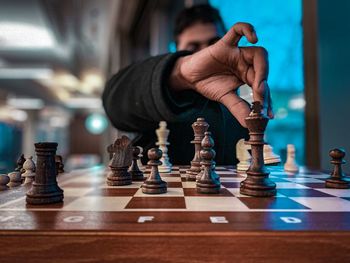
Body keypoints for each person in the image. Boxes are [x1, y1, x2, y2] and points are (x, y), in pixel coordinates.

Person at [102, 4, 272, 165]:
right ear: (177, 49)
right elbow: (113, 102)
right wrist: (180, 72)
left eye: (214, 44)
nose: (208, 55)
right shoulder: (164, 97)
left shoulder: (240, 109)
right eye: (193, 48)